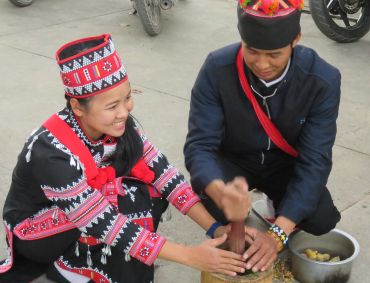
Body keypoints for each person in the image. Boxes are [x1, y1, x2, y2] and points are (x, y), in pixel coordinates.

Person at [0, 34, 249, 283]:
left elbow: (166, 176)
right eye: (112, 106)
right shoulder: (51, 151)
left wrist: (215, 228)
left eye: (127, 98)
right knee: (119, 202)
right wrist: (190, 256)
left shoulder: (120, 126)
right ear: (77, 107)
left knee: (148, 190)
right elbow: (104, 222)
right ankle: (72, 266)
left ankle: (97, 259)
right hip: (36, 234)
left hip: (85, 214)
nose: (124, 112)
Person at [184, 0, 342, 274]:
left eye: (274, 54)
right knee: (211, 203)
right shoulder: (216, 68)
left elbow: (315, 161)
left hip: (283, 165)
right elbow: (200, 146)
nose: (261, 63)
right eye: (252, 50)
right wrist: (220, 192)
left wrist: (277, 233)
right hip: (235, 162)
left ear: (296, 40)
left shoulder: (322, 80)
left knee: (320, 219)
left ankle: (276, 207)